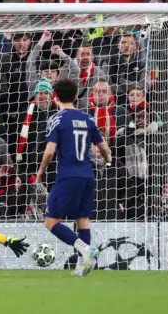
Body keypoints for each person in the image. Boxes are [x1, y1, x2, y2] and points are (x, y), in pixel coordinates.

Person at [36, 79, 111, 276]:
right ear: (76, 97)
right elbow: (103, 148)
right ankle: (82, 265)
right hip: (87, 174)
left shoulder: (56, 118)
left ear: (55, 96)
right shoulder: (88, 119)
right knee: (82, 219)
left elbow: (50, 151)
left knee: (50, 221)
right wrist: (109, 161)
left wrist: (41, 169)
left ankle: (84, 249)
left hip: (68, 175)